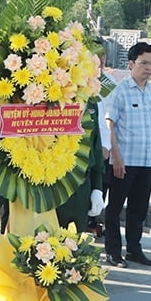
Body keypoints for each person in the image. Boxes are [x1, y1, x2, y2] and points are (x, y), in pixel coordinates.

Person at [104, 42, 151, 268]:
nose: (148, 68)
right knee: (115, 208)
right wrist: (116, 157)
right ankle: (112, 252)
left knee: (138, 209)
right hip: (124, 161)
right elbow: (109, 124)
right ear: (131, 64)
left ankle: (134, 250)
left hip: (146, 160)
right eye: (143, 63)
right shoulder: (120, 91)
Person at [56, 98, 105, 233]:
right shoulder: (49, 97)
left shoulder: (90, 101)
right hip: (56, 188)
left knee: (78, 243)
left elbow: (96, 146)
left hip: (83, 186)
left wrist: (97, 188)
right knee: (51, 245)